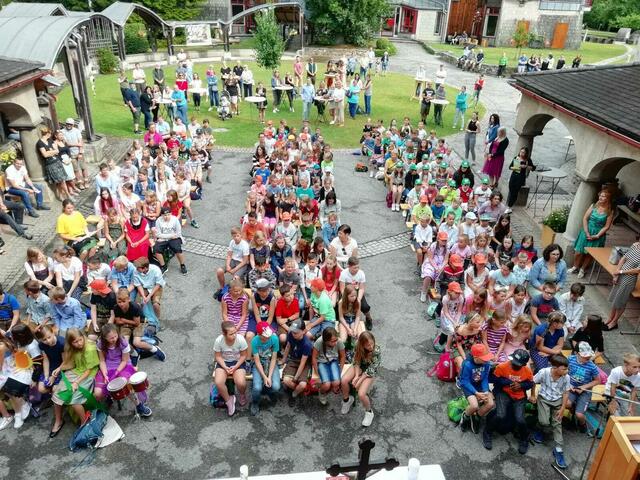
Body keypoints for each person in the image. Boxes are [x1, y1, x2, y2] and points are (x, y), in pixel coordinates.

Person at [483, 349, 534, 453]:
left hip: (519, 396)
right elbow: (494, 379)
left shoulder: (527, 371)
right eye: (513, 362)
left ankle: (524, 439)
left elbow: (530, 384)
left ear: (523, 364)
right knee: (500, 414)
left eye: (518, 364)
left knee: (520, 419)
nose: (514, 365)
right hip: (504, 393)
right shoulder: (502, 367)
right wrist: (508, 382)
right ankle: (487, 432)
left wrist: (521, 385)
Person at [50, 329, 99, 435]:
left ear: (83, 336)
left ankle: (84, 422)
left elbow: (89, 370)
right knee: (56, 394)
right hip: (76, 371)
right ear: (70, 343)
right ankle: (58, 421)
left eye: (80, 340)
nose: (79, 343)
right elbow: (68, 361)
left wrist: (76, 382)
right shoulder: (72, 348)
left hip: (88, 375)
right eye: (75, 342)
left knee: (74, 400)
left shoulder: (89, 348)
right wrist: (59, 368)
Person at [530, 354, 570, 469]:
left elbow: (566, 393)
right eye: (564, 369)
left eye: (567, 368)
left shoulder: (566, 377)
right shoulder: (544, 372)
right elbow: (533, 382)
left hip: (558, 401)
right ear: (555, 367)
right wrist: (533, 395)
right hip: (544, 399)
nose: (566, 371)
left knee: (557, 423)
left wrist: (562, 408)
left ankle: (559, 450)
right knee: (544, 422)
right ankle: (540, 429)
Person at [568, 190, 614, 279]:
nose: (600, 197)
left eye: (603, 196)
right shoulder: (593, 206)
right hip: (586, 230)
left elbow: (606, 226)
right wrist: (586, 232)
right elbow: (585, 218)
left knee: (589, 254)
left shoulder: (610, 211)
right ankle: (575, 267)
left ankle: (582, 269)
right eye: (600, 195)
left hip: (598, 235)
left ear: (608, 199)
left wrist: (597, 236)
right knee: (578, 251)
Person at [340, 331, 380, 427]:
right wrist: (357, 376)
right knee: (344, 380)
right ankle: (347, 400)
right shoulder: (357, 346)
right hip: (359, 367)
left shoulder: (376, 350)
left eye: (371, 343)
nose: (371, 346)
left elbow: (371, 369)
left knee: (361, 394)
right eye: (367, 345)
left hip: (369, 371)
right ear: (362, 345)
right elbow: (356, 361)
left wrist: (359, 380)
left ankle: (369, 412)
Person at [213, 321, 249, 416]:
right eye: (231, 334)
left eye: (235, 332)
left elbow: (244, 355)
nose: (234, 335)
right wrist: (225, 367)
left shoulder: (240, 339)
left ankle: (242, 394)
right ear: (224, 334)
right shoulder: (218, 341)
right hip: (224, 362)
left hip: (238, 362)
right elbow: (218, 356)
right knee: (218, 382)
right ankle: (229, 400)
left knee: (240, 382)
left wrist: (235, 366)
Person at [458, 343, 495, 433]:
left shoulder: (486, 363)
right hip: (469, 386)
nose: (487, 360)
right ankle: (466, 416)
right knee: (474, 405)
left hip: (480, 384)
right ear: (476, 358)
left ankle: (476, 417)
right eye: (484, 358)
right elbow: (464, 381)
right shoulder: (467, 365)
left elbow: (485, 377)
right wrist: (476, 393)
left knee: (490, 404)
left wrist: (485, 391)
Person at [605, 238, 640, 330]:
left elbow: (637, 270)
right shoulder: (635, 245)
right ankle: (610, 318)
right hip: (620, 275)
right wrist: (616, 273)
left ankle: (614, 322)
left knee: (621, 301)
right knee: (615, 297)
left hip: (629, 279)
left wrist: (620, 272)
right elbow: (623, 258)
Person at [567, 342, 601, 433]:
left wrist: (583, 387)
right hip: (571, 388)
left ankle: (582, 423)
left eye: (589, 356)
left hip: (585, 391)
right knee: (567, 404)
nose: (588, 358)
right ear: (577, 354)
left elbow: (598, 380)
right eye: (585, 356)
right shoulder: (570, 359)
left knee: (579, 415)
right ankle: (573, 410)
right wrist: (569, 385)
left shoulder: (592, 366)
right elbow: (565, 371)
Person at [250, 321, 280, 415]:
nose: (269, 336)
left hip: (271, 362)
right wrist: (264, 377)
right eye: (266, 335)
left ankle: (267, 391)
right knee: (257, 387)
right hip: (259, 364)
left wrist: (269, 377)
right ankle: (255, 402)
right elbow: (257, 361)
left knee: (276, 386)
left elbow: (274, 358)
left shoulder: (274, 338)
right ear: (259, 335)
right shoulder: (255, 341)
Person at [280, 319, 312, 405]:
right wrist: (283, 360)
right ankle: (298, 390)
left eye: (296, 333)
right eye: (293, 332)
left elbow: (302, 363)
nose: (294, 334)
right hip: (293, 359)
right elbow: (288, 347)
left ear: (303, 331)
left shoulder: (306, 344)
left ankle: (294, 394)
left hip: (304, 363)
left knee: (302, 384)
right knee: (286, 380)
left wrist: (296, 378)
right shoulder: (291, 334)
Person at [312, 326, 346, 405]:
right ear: (326, 341)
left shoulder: (339, 341)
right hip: (322, 362)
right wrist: (317, 374)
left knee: (336, 382)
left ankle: (333, 386)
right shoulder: (319, 342)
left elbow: (343, 356)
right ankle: (322, 392)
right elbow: (314, 357)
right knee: (326, 385)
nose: (335, 343)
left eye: (336, 340)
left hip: (333, 361)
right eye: (332, 341)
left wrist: (339, 370)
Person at [153, 206, 187, 275]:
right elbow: (158, 234)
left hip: (174, 238)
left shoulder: (175, 220)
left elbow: (178, 233)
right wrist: (170, 236)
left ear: (171, 214)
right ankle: (163, 266)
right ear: (162, 215)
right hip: (165, 238)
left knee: (178, 249)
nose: (167, 216)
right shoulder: (158, 221)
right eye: (165, 215)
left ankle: (182, 264)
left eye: (168, 214)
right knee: (156, 249)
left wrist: (168, 237)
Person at [606, 352, 640, 417]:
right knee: (616, 415)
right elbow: (612, 388)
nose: (637, 370)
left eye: (639, 367)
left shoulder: (638, 376)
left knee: (629, 417)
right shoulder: (616, 372)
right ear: (626, 365)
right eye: (634, 367)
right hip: (611, 393)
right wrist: (613, 401)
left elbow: (634, 391)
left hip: (625, 395)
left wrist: (631, 407)